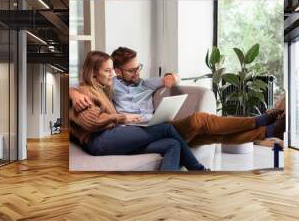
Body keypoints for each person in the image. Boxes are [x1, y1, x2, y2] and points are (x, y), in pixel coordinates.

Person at [70, 47, 285, 149]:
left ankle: (267, 130)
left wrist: (173, 76)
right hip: (138, 131)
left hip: (158, 124)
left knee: (209, 137)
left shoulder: (145, 83)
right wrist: (73, 92)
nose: (137, 74)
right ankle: (261, 121)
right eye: (131, 71)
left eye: (139, 68)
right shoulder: (110, 84)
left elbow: (171, 77)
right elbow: (83, 85)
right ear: (117, 72)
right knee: (200, 120)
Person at [69, 51, 207, 171]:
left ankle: (166, 187)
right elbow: (92, 121)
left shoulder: (102, 88)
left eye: (112, 70)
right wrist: (123, 118)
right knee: (166, 129)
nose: (112, 75)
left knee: (173, 144)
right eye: (107, 71)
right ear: (93, 73)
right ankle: (199, 170)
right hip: (99, 140)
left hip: (111, 138)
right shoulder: (84, 91)